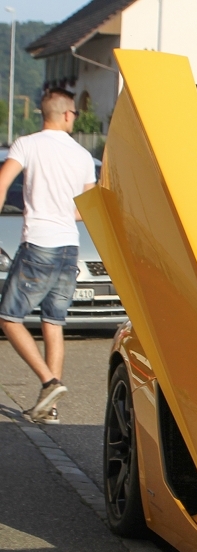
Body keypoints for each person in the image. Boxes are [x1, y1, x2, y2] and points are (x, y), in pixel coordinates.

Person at [0, 88, 98, 425]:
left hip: (38, 244)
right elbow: (87, 209)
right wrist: (62, 212)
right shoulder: (83, 156)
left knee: (9, 318)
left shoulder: (27, 145)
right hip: (69, 247)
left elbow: (2, 183)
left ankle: (49, 381)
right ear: (68, 114)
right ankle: (49, 410)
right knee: (53, 323)